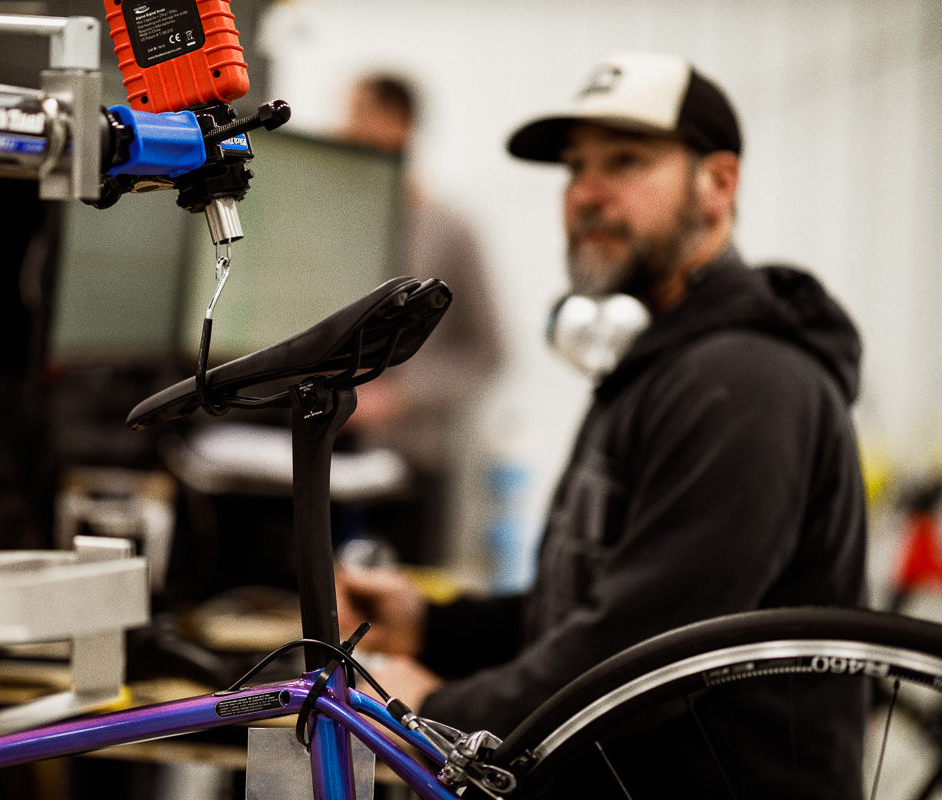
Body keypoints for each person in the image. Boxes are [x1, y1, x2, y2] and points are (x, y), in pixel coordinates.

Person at [338, 51, 867, 796]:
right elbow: (595, 604)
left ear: (718, 184)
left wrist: (441, 709)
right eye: (574, 168)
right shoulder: (662, 362)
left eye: (624, 161)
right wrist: (431, 624)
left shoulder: (744, 383)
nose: (587, 193)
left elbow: (642, 649)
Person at [336, 74, 503, 565]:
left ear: (401, 124)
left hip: (413, 465)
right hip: (335, 452)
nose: (346, 130)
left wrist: (401, 396)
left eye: (361, 115)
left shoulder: (451, 231)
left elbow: (488, 352)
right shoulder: (338, 227)